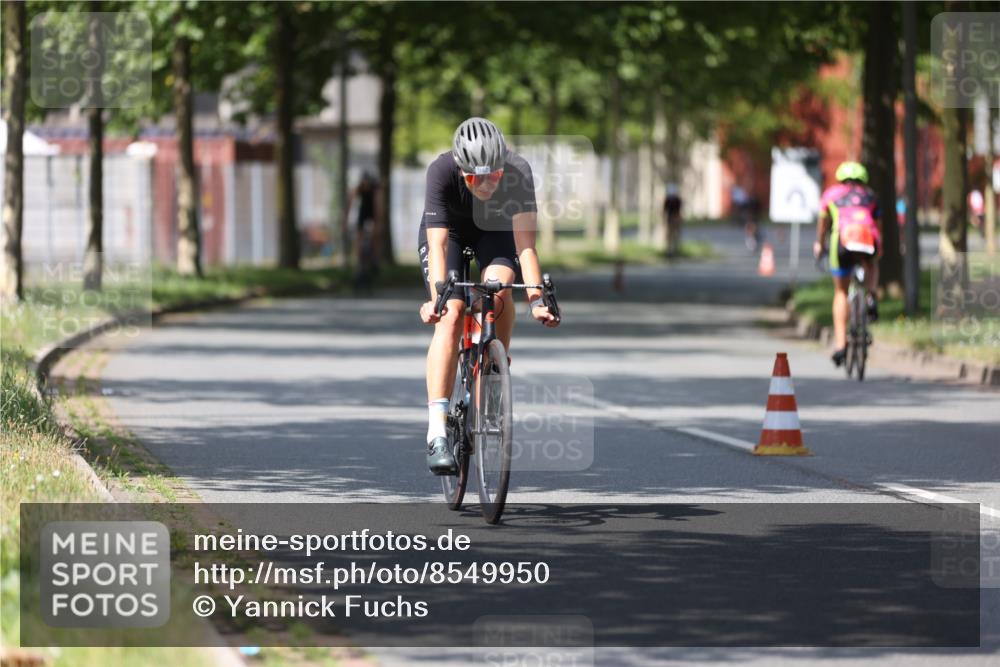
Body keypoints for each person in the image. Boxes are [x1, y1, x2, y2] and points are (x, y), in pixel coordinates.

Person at [417, 117, 559, 474]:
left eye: (493, 175)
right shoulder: (440, 170)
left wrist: (538, 301)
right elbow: (436, 244)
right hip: (450, 234)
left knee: (497, 293)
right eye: (473, 178)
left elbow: (526, 247)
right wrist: (437, 298)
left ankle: (494, 363)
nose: (483, 184)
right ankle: (436, 432)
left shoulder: (519, 171)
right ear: (461, 171)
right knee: (451, 313)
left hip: (494, 232)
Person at [813, 161, 881, 368]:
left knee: (841, 291)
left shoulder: (831, 195)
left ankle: (841, 346)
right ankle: (870, 296)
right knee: (872, 264)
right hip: (868, 239)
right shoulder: (871, 196)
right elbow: (878, 225)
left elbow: (823, 224)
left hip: (842, 242)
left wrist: (819, 244)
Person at [342, 171, 382, 290]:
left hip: (372, 216)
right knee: (359, 244)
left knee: (374, 239)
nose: (366, 186)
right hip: (362, 215)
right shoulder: (357, 189)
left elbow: (378, 209)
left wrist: (378, 226)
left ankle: (375, 259)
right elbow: (348, 205)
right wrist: (344, 222)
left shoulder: (376, 190)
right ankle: (359, 265)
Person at [663, 184, 683, 257]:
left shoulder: (677, 200)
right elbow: (665, 210)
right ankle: (669, 250)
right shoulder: (667, 200)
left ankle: (675, 250)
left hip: (675, 218)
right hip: (670, 219)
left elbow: (679, 210)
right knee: (669, 235)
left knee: (675, 235)